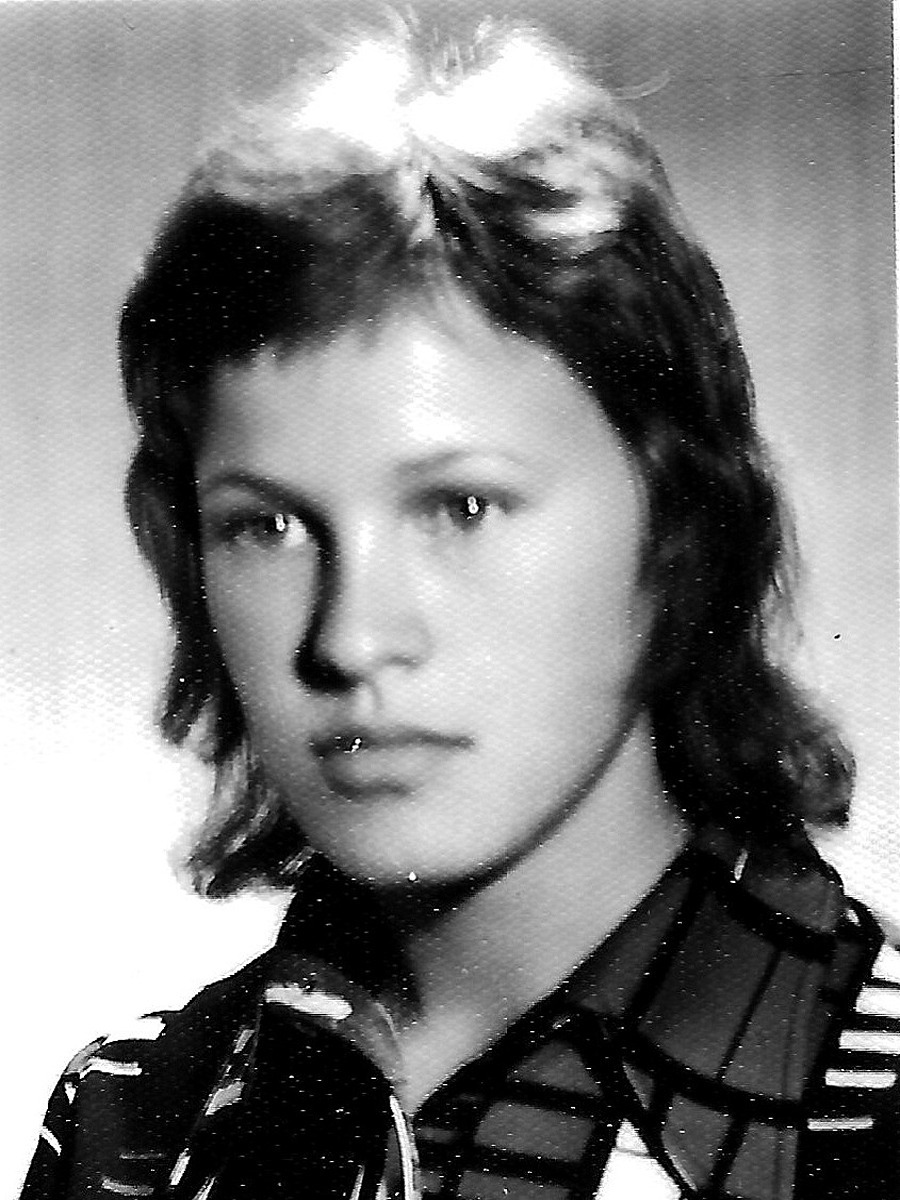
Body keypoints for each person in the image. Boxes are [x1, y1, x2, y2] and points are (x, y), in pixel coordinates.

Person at [21, 16, 899, 1200]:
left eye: (461, 507)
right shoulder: (130, 1125)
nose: (350, 638)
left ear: (679, 530)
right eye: (267, 526)